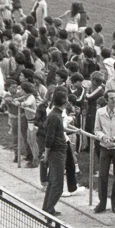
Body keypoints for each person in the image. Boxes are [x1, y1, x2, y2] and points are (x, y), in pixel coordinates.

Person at [94, 90, 115, 213]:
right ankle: (102, 203)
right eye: (111, 98)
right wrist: (103, 137)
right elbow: (97, 129)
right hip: (104, 147)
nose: (114, 100)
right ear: (106, 100)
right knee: (103, 175)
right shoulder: (100, 112)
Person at [41, 88, 69, 216]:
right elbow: (49, 138)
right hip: (57, 152)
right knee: (58, 184)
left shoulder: (54, 114)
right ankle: (49, 208)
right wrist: (46, 156)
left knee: (53, 181)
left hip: (57, 151)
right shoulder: (55, 116)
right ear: (65, 101)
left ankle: (47, 207)